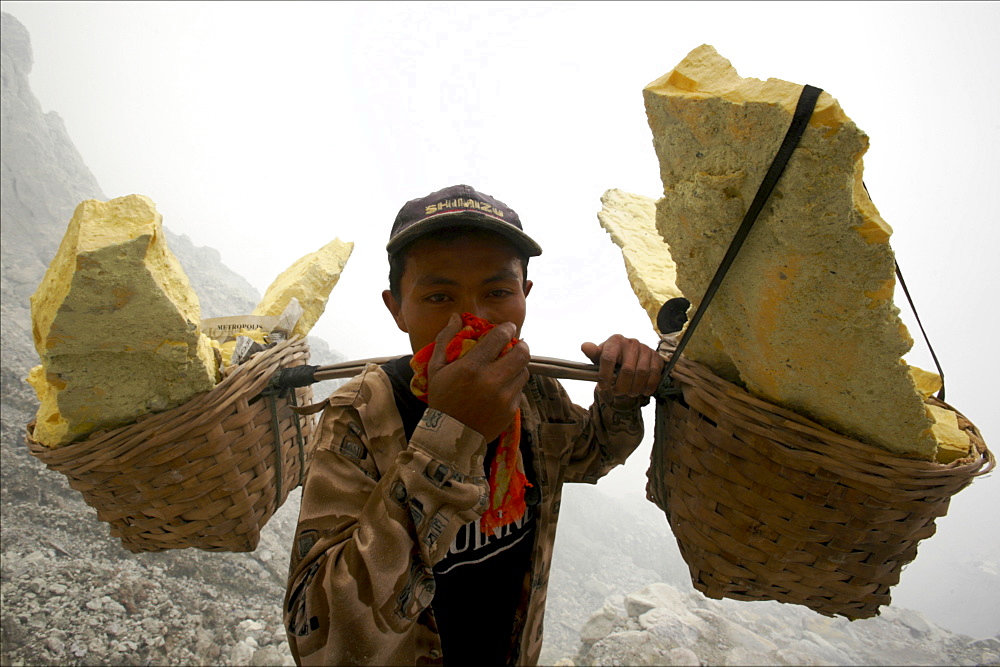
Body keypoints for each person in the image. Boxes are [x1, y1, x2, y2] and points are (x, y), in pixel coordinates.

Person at [283, 184, 664, 665]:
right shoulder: (358, 414)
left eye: (498, 292)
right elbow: (321, 641)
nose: (472, 319)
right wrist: (451, 432)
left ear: (525, 295)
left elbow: (590, 455)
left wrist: (620, 395)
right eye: (439, 295)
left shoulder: (531, 391)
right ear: (397, 307)